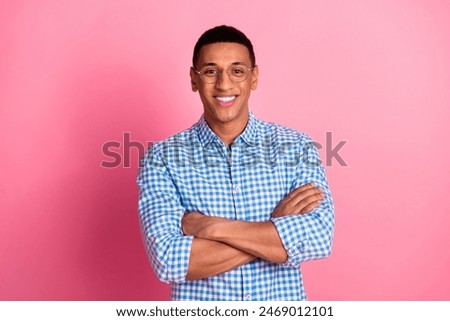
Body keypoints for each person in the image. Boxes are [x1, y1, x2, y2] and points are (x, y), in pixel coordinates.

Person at [137, 25, 335, 300]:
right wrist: (275, 227)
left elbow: (317, 239)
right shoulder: (161, 159)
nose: (224, 84)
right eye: (210, 71)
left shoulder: (297, 147)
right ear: (193, 79)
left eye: (237, 71)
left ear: (254, 77)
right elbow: (169, 260)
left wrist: (211, 228)